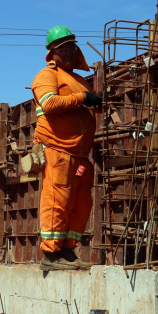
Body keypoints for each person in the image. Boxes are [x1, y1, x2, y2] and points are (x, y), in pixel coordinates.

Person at [31, 25, 102, 271]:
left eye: (72, 46)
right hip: (57, 149)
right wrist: (83, 98)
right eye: (63, 48)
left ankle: (68, 250)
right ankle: (51, 255)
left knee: (80, 202)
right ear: (52, 52)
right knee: (56, 199)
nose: (70, 51)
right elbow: (50, 104)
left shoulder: (77, 79)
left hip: (80, 154)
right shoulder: (47, 76)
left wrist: (96, 101)